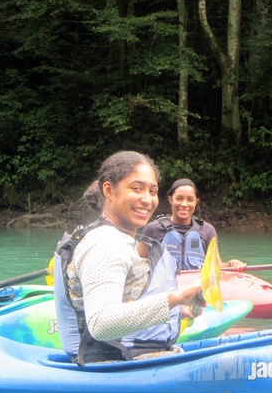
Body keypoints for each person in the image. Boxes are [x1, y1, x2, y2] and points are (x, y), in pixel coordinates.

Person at [53, 151, 205, 365]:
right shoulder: (104, 244)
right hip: (114, 365)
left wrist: (178, 309)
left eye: (153, 191)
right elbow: (102, 324)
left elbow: (124, 301)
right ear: (109, 190)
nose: (147, 199)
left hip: (134, 360)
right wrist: (177, 297)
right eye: (137, 188)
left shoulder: (121, 240)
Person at [140, 178, 247, 272]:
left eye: (190, 200)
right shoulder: (153, 229)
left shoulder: (207, 230)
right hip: (164, 292)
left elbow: (217, 266)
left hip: (195, 291)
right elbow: (138, 265)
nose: (184, 204)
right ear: (170, 199)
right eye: (179, 198)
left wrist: (232, 264)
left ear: (196, 201)